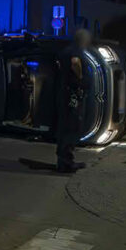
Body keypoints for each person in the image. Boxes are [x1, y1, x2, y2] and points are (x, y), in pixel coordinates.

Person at [56, 29, 92, 173]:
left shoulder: (66, 50)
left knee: (66, 127)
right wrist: (81, 78)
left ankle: (64, 161)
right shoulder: (75, 50)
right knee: (72, 127)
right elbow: (75, 62)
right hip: (73, 95)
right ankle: (66, 163)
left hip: (66, 93)